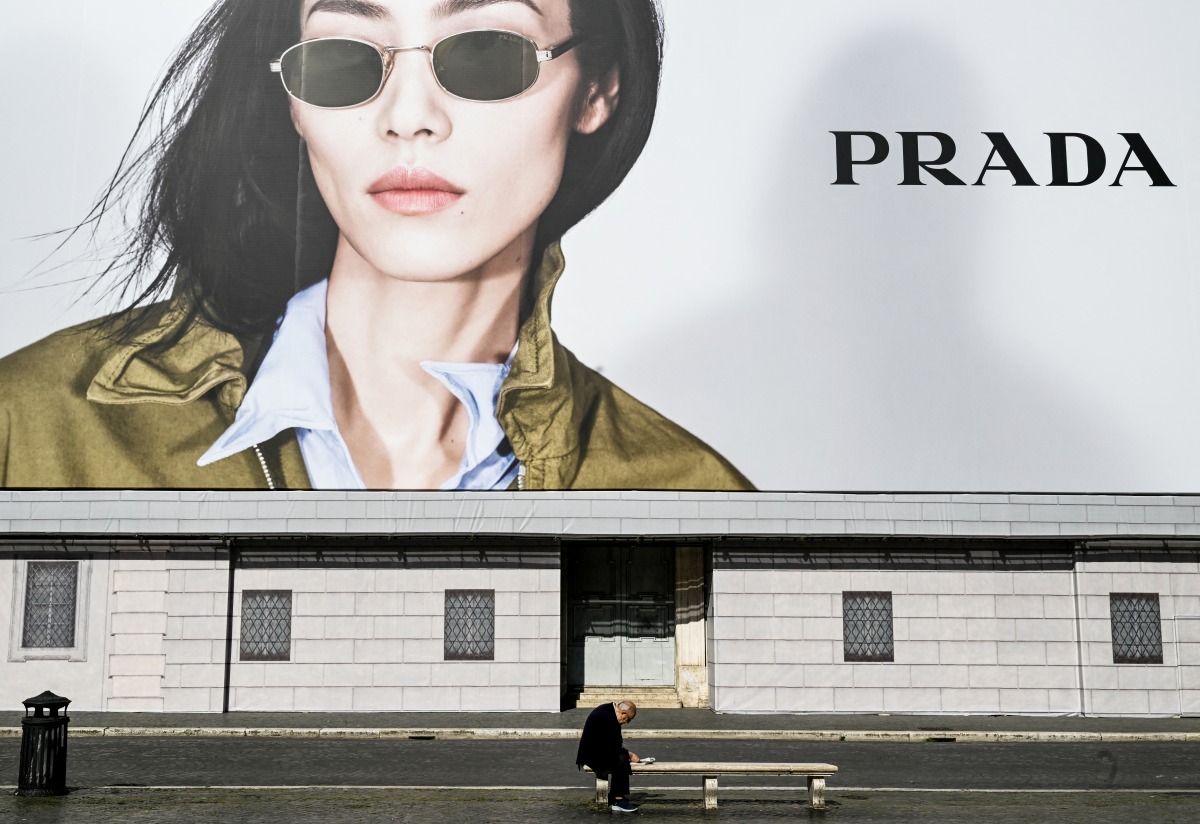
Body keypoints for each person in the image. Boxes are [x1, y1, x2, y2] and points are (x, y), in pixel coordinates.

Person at [0, 0, 752, 492]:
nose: (409, 117)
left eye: (488, 53)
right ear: (293, 104)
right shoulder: (32, 425)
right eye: (346, 57)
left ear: (598, 91)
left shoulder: (688, 494)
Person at [576, 699, 641, 812]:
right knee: (621, 759)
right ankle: (618, 799)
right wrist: (628, 754)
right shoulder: (604, 716)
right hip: (592, 755)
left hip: (599, 751)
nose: (628, 722)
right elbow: (609, 745)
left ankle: (616, 796)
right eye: (629, 719)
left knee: (622, 757)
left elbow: (614, 743)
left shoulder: (611, 712)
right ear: (623, 713)